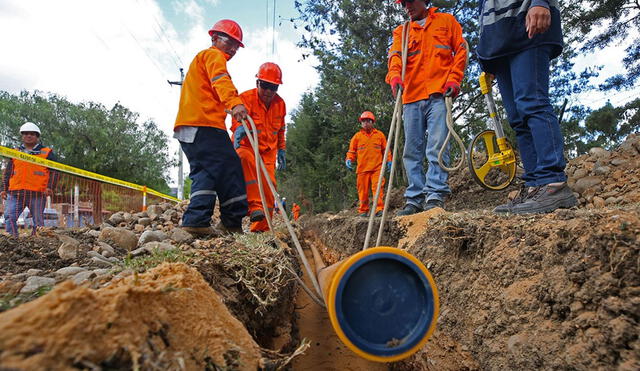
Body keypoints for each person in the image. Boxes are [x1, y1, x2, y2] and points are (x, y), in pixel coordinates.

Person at [477, 0, 577, 214]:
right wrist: (487, 55)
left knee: (532, 103)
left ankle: (553, 182)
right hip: (499, 42)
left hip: (526, 23)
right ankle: (534, 186)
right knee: (517, 118)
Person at [387, 0, 467, 216]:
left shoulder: (446, 22)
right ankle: (414, 199)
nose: (407, 6)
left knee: (437, 147)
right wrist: (394, 77)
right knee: (411, 151)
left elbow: (460, 51)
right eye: (403, 3)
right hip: (411, 97)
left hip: (439, 95)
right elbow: (395, 58)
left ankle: (435, 196)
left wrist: (454, 80)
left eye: (410, 1)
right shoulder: (401, 32)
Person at [173, 19, 249, 236]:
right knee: (231, 167)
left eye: (237, 45)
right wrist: (234, 103)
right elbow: (221, 80)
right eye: (230, 42)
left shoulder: (202, 60)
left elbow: (212, 87)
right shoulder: (213, 55)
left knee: (206, 170)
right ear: (214, 38)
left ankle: (196, 220)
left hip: (190, 126)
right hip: (204, 124)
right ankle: (232, 223)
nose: (233, 49)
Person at [231, 62, 287, 232]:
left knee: (270, 186)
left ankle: (261, 229)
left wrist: (282, 149)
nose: (269, 91)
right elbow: (235, 119)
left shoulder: (280, 104)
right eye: (265, 86)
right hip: (247, 146)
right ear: (257, 83)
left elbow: (281, 129)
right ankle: (255, 207)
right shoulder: (245, 99)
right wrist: (238, 128)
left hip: (268, 151)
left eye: (273, 87)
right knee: (244, 158)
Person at [1, 122, 58, 237]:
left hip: (37, 194)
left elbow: (55, 172)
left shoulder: (47, 152)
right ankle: (13, 239)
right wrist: (3, 189)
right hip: (15, 192)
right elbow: (7, 172)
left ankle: (36, 241)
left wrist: (50, 187)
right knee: (9, 216)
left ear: (37, 137)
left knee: (38, 222)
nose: (29, 136)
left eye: (32, 134)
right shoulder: (15, 152)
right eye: (26, 134)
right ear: (22, 136)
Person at [345, 111, 392, 217]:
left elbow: (386, 150)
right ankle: (363, 210)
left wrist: (389, 160)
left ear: (372, 122)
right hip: (362, 169)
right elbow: (351, 151)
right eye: (363, 121)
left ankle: (379, 209)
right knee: (363, 192)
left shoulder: (379, 135)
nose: (365, 123)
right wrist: (349, 159)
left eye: (368, 121)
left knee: (378, 189)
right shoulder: (357, 137)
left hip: (377, 168)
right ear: (361, 123)